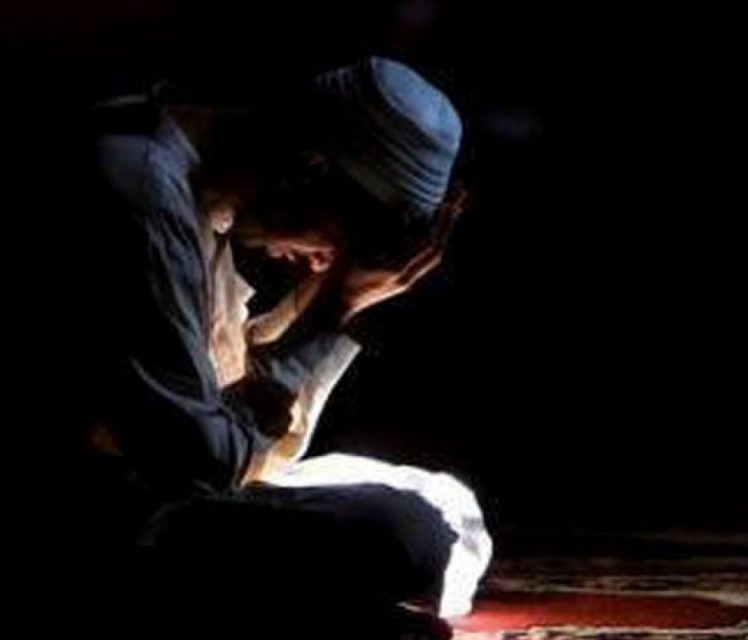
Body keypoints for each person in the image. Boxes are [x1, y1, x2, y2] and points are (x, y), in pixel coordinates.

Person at [63, 56, 481, 638]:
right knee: (406, 533)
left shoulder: (198, 195)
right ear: (309, 168)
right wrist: (330, 313)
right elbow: (200, 464)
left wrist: (338, 306)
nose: (321, 263)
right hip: (83, 526)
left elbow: (236, 424)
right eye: (335, 245)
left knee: (440, 512)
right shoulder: (147, 196)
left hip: (153, 504)